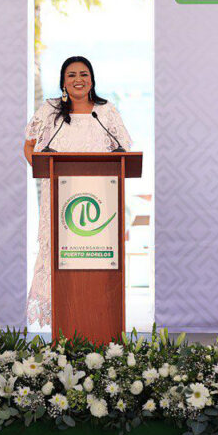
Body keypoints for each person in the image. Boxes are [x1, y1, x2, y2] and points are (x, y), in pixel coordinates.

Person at [23, 56, 132, 326]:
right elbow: (30, 145)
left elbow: (124, 149)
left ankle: (99, 318)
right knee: (61, 258)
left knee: (95, 260)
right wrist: (45, 171)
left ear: (92, 80)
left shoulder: (106, 112)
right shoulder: (50, 111)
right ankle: (66, 321)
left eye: (84, 74)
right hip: (59, 197)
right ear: (63, 82)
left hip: (101, 202)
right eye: (71, 75)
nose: (78, 80)